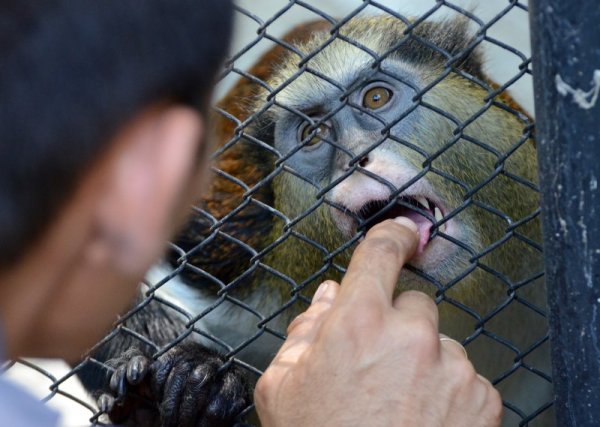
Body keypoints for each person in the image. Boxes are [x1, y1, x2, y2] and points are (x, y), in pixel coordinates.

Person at [0, 1, 502, 426]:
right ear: (162, 171)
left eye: (376, 99)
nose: (358, 154)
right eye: (310, 136)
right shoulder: (231, 241)